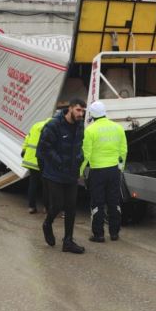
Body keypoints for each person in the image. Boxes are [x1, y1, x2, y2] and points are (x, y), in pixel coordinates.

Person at [36, 98, 87, 254]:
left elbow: (79, 145)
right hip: (54, 174)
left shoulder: (80, 126)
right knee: (57, 206)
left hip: (71, 173)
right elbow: (43, 148)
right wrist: (59, 162)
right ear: (70, 109)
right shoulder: (54, 125)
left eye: (83, 111)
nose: (81, 114)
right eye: (78, 110)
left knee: (71, 207)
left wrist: (80, 159)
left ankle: (68, 241)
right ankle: (47, 224)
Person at [80, 100, 127, 242]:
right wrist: (120, 167)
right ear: (105, 113)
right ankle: (114, 233)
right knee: (114, 201)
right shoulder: (118, 128)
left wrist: (79, 171)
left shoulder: (89, 130)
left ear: (92, 115)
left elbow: (86, 154)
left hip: (97, 171)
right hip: (114, 170)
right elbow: (123, 150)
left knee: (97, 202)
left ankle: (98, 234)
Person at [22, 117, 51, 214]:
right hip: (43, 161)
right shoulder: (53, 127)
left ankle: (31, 207)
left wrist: (24, 150)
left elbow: (27, 138)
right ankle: (46, 208)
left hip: (31, 159)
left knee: (33, 184)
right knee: (46, 185)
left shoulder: (36, 125)